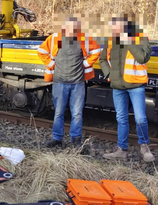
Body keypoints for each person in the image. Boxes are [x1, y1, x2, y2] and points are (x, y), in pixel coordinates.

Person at [37, 16, 101, 147]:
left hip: (78, 83)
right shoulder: (57, 38)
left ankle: (76, 140)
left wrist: (85, 63)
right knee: (59, 112)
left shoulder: (83, 39)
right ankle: (57, 139)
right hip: (60, 82)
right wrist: (51, 64)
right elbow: (42, 51)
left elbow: (97, 50)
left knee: (77, 113)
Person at [100, 16, 154, 162]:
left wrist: (128, 41)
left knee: (140, 118)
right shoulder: (110, 41)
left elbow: (143, 58)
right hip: (118, 86)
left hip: (135, 85)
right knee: (121, 118)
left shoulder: (140, 38)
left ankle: (145, 147)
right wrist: (109, 74)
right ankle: (121, 150)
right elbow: (102, 59)